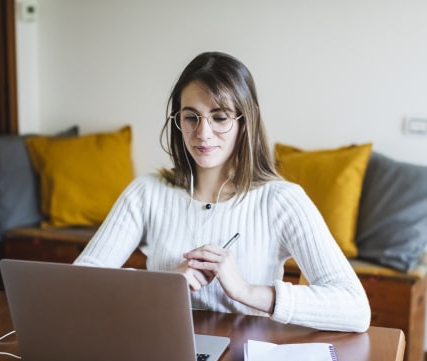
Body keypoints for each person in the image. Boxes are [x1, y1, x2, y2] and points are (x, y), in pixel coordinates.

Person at [74, 51, 370, 332]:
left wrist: (246, 291)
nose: (203, 134)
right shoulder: (145, 193)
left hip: (245, 359)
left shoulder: (282, 200)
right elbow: (77, 286)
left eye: (220, 117)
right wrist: (163, 286)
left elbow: (355, 309)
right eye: (191, 117)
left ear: (245, 121)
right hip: (161, 352)